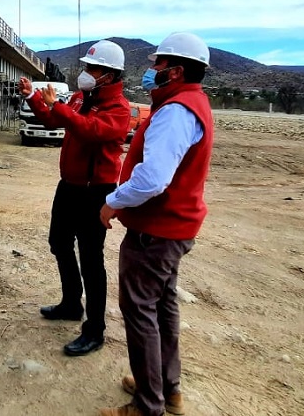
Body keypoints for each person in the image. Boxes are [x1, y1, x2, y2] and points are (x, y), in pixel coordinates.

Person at [96, 32, 214, 416]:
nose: (152, 70)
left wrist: (112, 202)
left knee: (140, 311)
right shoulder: (192, 103)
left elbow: (152, 179)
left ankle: (148, 405)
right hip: (171, 229)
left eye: (158, 64)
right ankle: (166, 388)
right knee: (162, 307)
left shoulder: (175, 111)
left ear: (175, 71)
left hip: (156, 231)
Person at [19, 39, 130, 356]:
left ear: (109, 75)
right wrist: (33, 98)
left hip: (95, 191)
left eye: (92, 68)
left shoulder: (119, 109)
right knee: (59, 242)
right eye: (87, 66)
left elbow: (88, 130)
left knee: (91, 260)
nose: (86, 72)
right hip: (69, 186)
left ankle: (95, 330)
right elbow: (54, 120)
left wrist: (59, 106)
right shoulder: (81, 98)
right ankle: (71, 303)